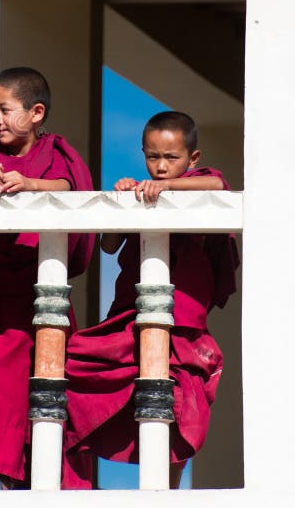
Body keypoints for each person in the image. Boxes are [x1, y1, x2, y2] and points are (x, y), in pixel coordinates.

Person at [64, 110, 239, 488]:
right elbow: (110, 246)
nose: (160, 167)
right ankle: (74, 480)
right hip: (129, 313)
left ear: (191, 159)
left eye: (171, 158)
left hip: (182, 322)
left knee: (176, 403)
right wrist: (124, 199)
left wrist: (169, 190)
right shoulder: (143, 191)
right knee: (73, 371)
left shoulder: (198, 183)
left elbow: (218, 186)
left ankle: (169, 490)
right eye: (152, 157)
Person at [0, 67, 95, 489]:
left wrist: (31, 182)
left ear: (35, 113)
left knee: (44, 392)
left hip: (38, 297)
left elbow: (73, 188)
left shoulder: (57, 152)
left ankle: (33, 480)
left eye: (5, 110)